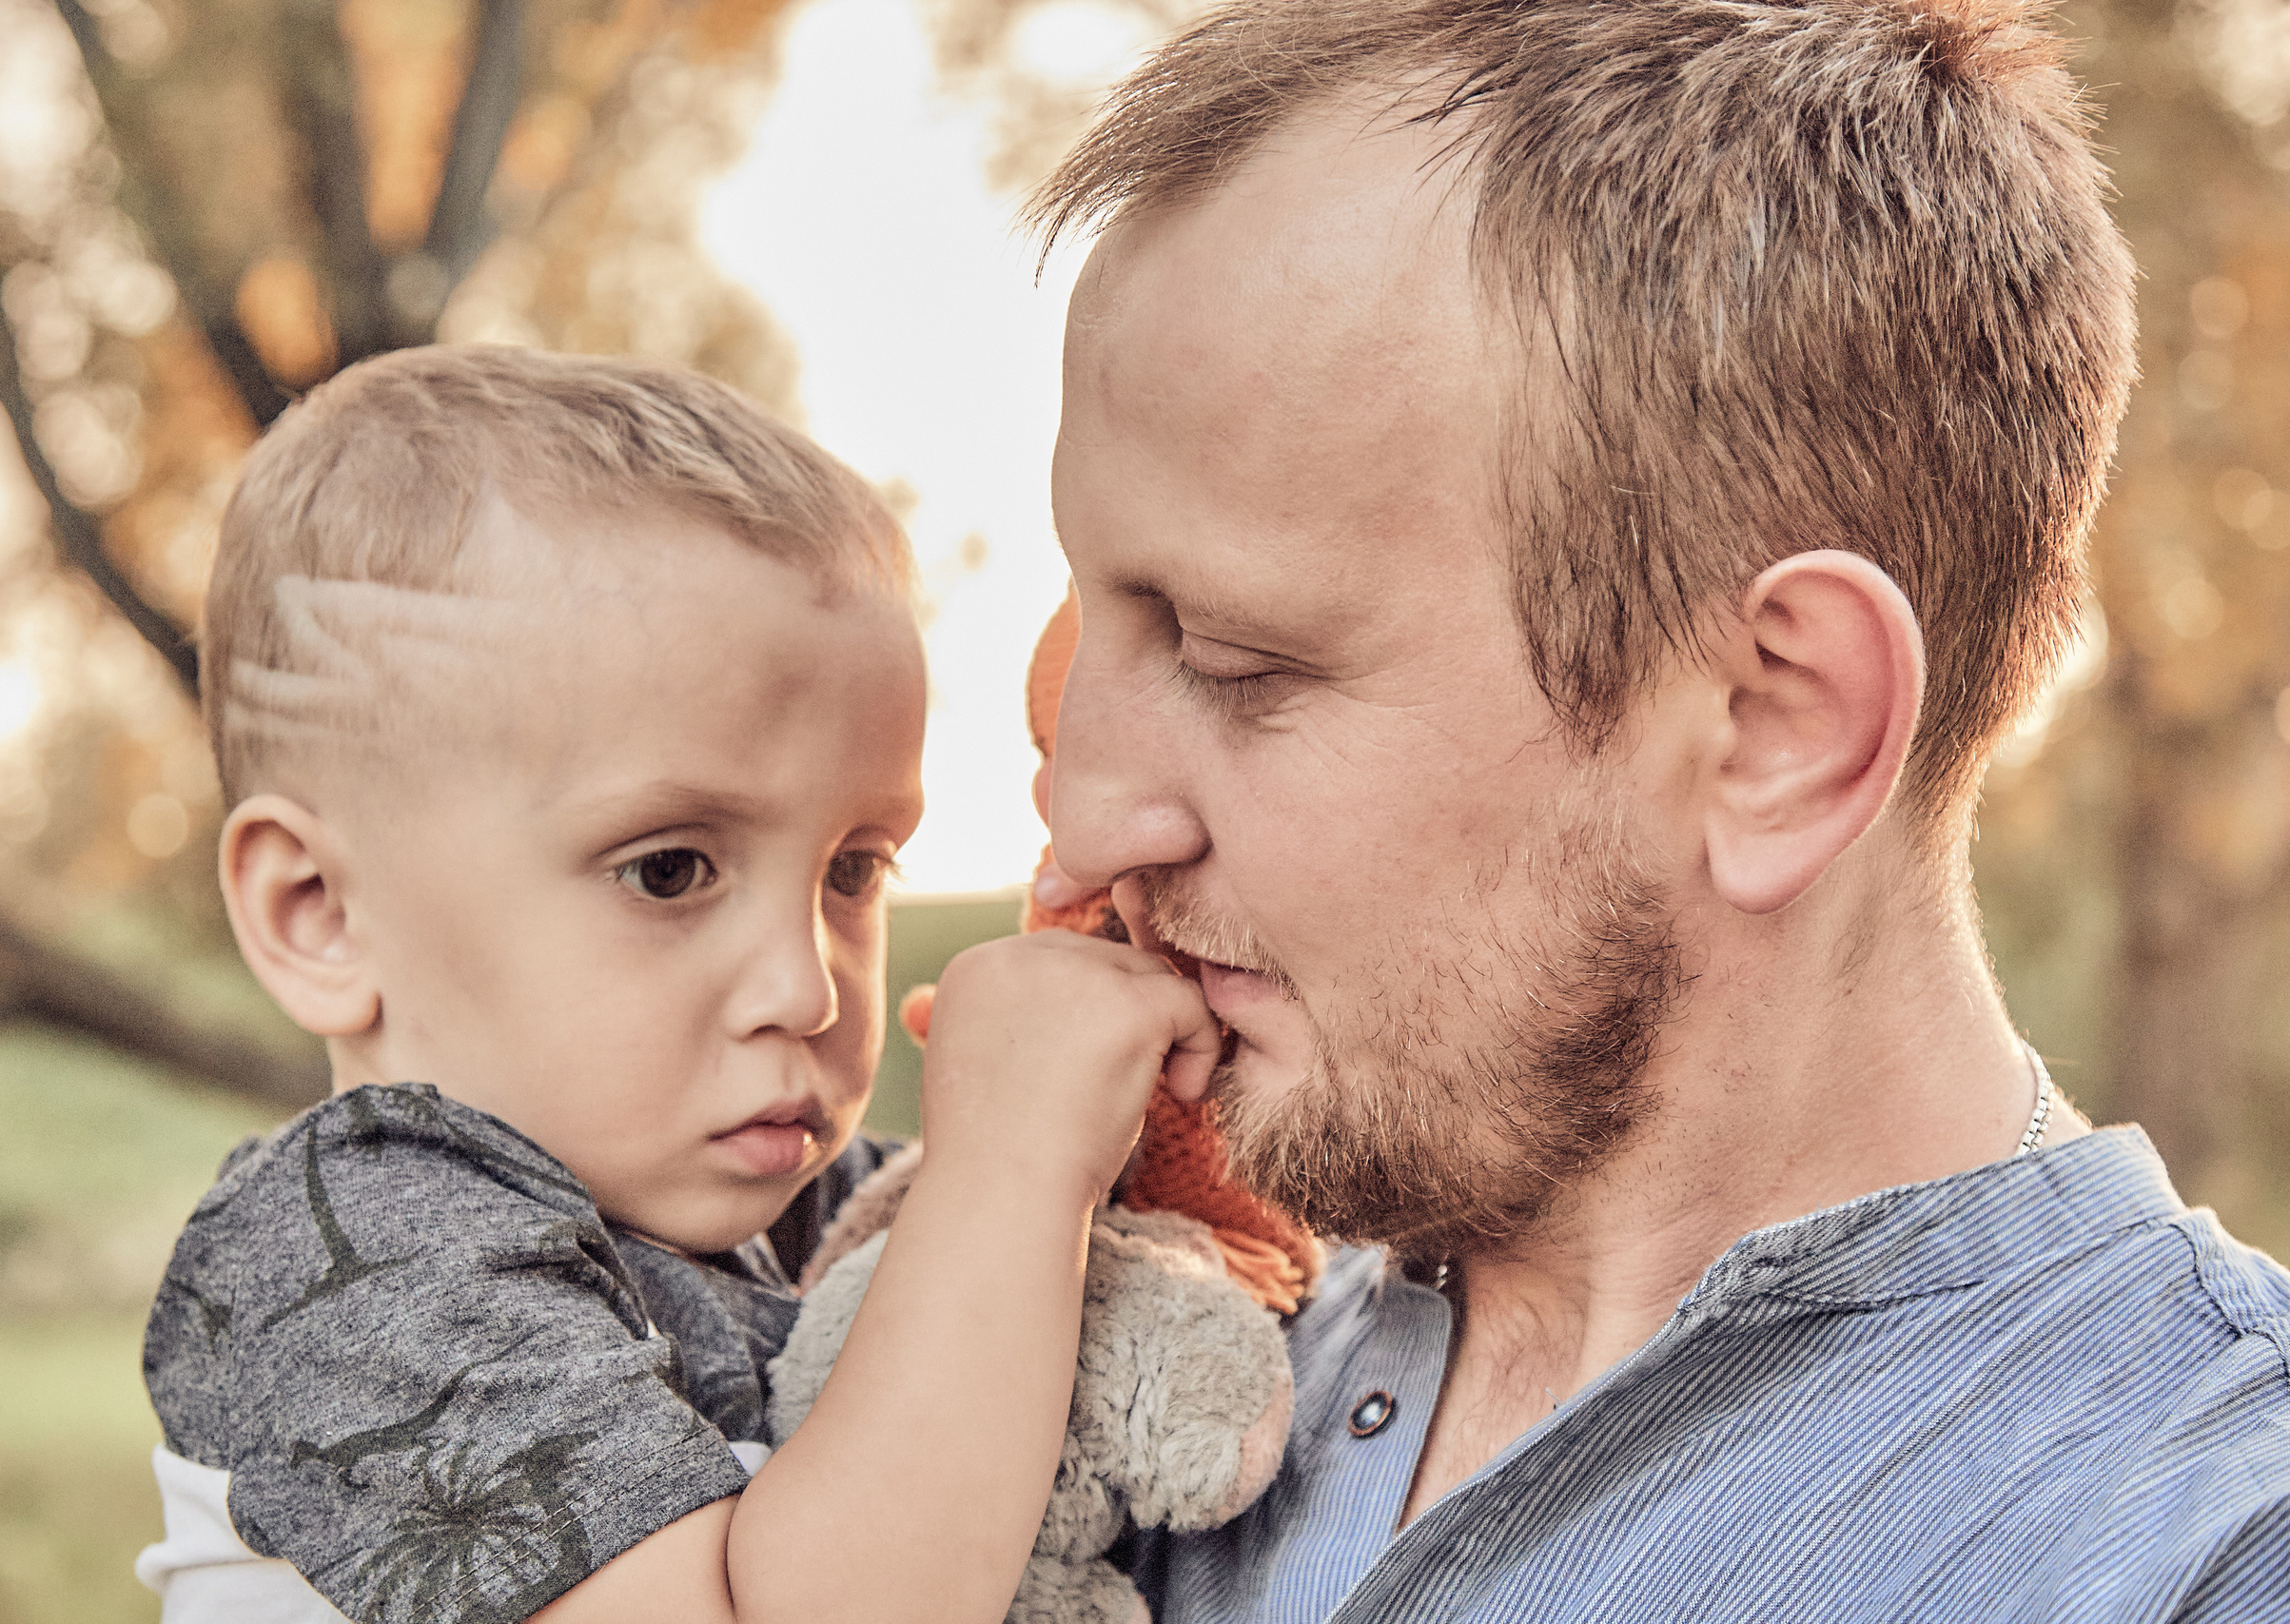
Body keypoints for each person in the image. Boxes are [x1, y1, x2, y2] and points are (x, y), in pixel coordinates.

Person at [1025, 1, 2290, 1618]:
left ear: (1779, 727)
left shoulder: (2206, 1546)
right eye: (1091, 630)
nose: (1081, 806)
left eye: (1234, 656)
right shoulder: (1104, 1370)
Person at [134, 345, 1221, 1624]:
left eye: (853, 869)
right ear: (320, 915)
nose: (805, 988)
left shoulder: (795, 1206)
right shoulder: (352, 1263)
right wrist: (1015, 1169)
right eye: (667, 872)